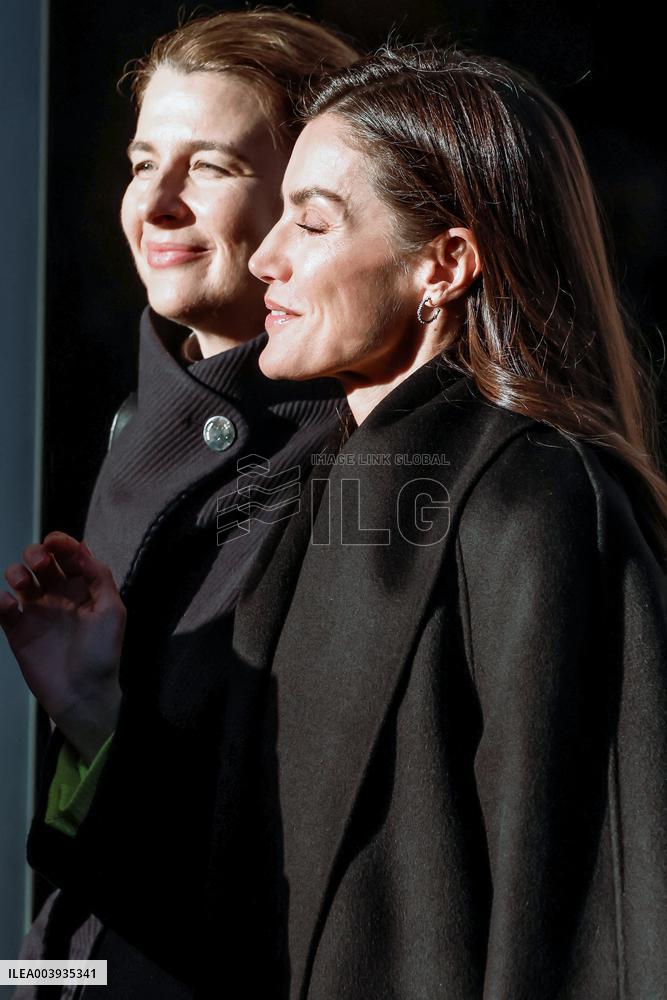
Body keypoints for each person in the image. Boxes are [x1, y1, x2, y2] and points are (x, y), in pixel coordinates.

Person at [4, 43, 667, 999]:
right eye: (140, 162)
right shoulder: (321, 508)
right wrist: (93, 711)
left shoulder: (538, 505)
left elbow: (592, 923)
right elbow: (226, 906)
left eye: (309, 222)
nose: (270, 254)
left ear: (442, 264)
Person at [6, 9, 358, 999]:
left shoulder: (357, 471)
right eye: (141, 161)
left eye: (209, 167)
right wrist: (85, 710)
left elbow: (276, 856)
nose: (154, 203)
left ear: (312, 206)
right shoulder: (144, 424)